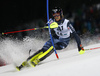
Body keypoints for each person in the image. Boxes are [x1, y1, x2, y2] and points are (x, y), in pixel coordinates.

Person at [16, 7, 85, 71]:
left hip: (64, 41)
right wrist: (48, 27)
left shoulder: (67, 23)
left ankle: (36, 61)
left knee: (53, 48)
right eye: (54, 15)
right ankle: (25, 63)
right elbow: (46, 26)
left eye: (57, 15)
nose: (56, 17)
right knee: (43, 50)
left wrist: (79, 45)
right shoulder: (52, 20)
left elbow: (75, 34)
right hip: (55, 38)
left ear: (61, 14)